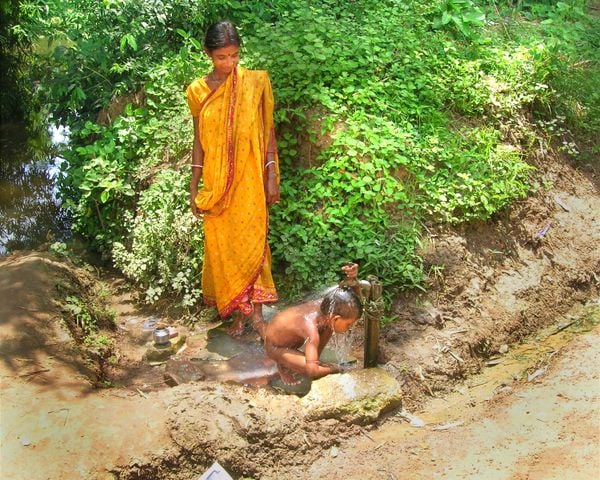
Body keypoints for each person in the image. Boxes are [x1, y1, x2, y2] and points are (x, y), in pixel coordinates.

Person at [186, 21, 280, 336]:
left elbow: (267, 132)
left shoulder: (255, 83)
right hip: (216, 186)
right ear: (208, 54)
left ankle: (258, 317)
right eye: (222, 57)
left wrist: (270, 174)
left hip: (250, 182)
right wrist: (193, 185)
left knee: (254, 245)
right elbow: (198, 142)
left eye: (234, 55)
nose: (229, 63)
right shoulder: (197, 91)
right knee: (225, 249)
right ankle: (238, 315)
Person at [264, 264, 363, 385]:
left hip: (290, 338)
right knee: (308, 369)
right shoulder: (311, 330)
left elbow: (352, 301)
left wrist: (353, 280)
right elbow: (312, 372)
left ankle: (312, 359)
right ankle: (282, 365)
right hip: (275, 347)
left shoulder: (330, 307)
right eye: (348, 325)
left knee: (328, 328)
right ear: (336, 319)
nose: (349, 329)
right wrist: (336, 369)